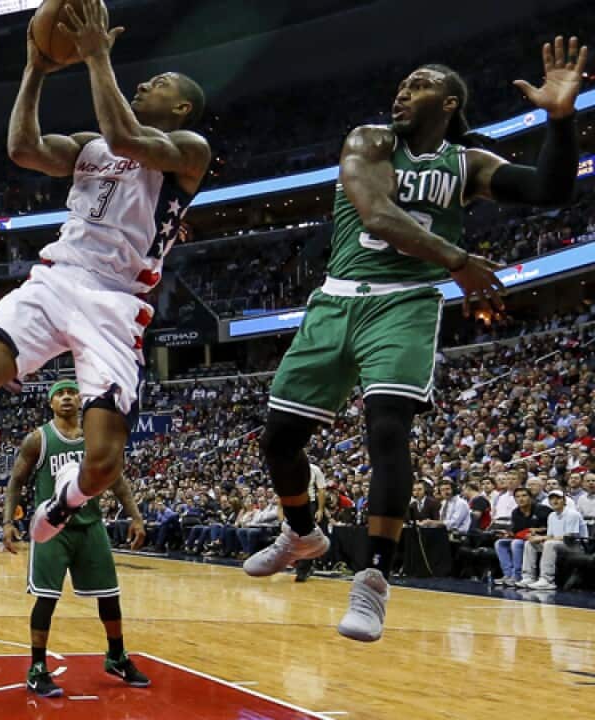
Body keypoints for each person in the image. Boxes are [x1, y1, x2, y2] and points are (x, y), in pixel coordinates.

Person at [243, 36, 586, 642]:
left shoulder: (469, 163)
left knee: (387, 429)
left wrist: (561, 119)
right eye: (402, 84)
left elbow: (551, 190)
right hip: (337, 299)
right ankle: (301, 533)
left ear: (449, 102)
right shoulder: (369, 140)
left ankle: (373, 578)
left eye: (419, 84)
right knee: (279, 441)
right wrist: (457, 256)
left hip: (405, 305)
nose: (403, 92)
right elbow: (377, 215)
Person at [0, 0, 212, 549]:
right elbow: (23, 149)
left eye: (157, 83)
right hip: (58, 279)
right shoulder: (90, 146)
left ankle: (65, 502)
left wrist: (95, 58)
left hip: (115, 302)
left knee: (105, 463)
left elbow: (129, 141)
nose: (144, 86)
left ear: (181, 107)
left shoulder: (188, 150)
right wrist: (34, 71)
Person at [2, 380, 149, 697]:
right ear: (51, 403)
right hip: (52, 530)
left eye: (71, 392)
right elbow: (15, 480)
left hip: (90, 525)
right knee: (46, 598)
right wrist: (7, 521)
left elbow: (117, 481)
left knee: (110, 595)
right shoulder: (38, 439)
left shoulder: (96, 440)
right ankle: (38, 667)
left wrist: (135, 516)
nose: (67, 397)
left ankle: (116, 656)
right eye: (60, 394)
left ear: (81, 400)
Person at [520, 489, 589, 590]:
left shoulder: (572, 514)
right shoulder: (551, 515)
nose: (555, 501)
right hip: (559, 545)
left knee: (549, 544)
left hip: (575, 546)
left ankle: (547, 580)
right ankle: (528, 577)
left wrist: (542, 537)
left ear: (564, 500)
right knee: (529, 544)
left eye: (558, 498)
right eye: (552, 499)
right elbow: (550, 536)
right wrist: (536, 538)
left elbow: (569, 537)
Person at [493, 487, 551, 587]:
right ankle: (508, 574)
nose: (521, 499)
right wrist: (508, 534)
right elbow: (516, 531)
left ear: (531, 498)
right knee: (500, 543)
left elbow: (552, 528)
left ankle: (518, 576)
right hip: (523, 538)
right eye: (517, 497)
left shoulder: (542, 510)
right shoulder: (515, 512)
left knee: (516, 543)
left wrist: (537, 530)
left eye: (524, 496)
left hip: (539, 540)